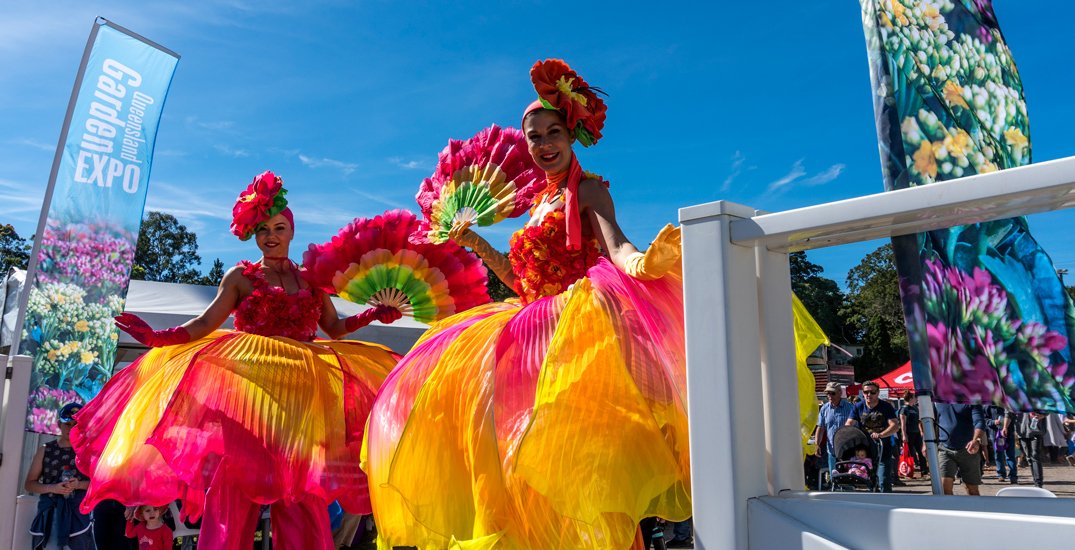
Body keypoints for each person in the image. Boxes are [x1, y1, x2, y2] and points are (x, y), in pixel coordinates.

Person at [364, 59, 689, 549]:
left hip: (578, 335)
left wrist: (645, 264)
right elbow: (521, 280)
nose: (543, 145)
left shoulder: (590, 190)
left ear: (571, 134)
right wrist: (475, 243)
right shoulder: (539, 201)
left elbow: (618, 248)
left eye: (552, 132)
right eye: (534, 137)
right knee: (514, 461)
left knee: (579, 465)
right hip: (529, 332)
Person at [71, 172, 402, 550]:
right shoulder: (240, 277)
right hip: (248, 396)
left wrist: (372, 315)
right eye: (262, 229)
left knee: (299, 495)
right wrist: (157, 338)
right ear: (254, 235)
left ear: (292, 231)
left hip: (298, 401)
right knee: (234, 492)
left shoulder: (314, 280)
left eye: (279, 227)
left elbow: (335, 328)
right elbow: (205, 322)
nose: (271, 236)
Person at [25, 402, 94, 550]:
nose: (71, 428)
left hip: (77, 516)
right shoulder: (45, 450)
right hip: (50, 515)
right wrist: (53, 488)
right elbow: (29, 484)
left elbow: (97, 483)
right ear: (59, 424)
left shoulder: (86, 452)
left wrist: (78, 485)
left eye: (75, 425)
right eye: (67, 424)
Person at [845, 381, 899, 492]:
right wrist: (848, 433)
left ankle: (888, 503)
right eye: (866, 392)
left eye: (872, 392)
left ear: (878, 393)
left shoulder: (886, 407)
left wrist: (881, 435)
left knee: (884, 479)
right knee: (868, 480)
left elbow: (895, 425)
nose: (868, 395)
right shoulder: (858, 406)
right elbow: (849, 424)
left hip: (883, 448)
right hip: (865, 451)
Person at [933, 403, 984, 496]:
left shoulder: (971, 401)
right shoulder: (938, 401)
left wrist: (975, 440)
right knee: (944, 489)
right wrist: (926, 444)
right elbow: (930, 422)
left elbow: (979, 422)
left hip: (968, 449)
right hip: (945, 448)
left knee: (972, 490)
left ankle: (975, 509)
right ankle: (951, 510)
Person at [815, 382, 855, 474]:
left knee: (848, 479)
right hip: (832, 450)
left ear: (840, 393)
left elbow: (856, 428)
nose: (829, 396)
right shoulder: (824, 409)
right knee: (834, 478)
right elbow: (820, 428)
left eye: (832, 393)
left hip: (847, 450)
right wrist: (817, 445)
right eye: (827, 393)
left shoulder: (850, 408)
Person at [898, 392, 928, 477]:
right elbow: (903, 423)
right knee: (910, 452)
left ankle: (924, 470)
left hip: (916, 433)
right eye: (915, 397)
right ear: (911, 398)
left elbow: (918, 421)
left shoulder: (915, 408)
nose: (916, 399)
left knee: (920, 451)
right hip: (908, 433)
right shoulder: (904, 409)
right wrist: (904, 435)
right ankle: (909, 470)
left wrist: (921, 431)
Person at [987, 406, 1018, 484]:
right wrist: (993, 422)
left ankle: (1013, 476)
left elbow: (1014, 416)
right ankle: (1001, 474)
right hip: (996, 434)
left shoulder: (1007, 404)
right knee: (998, 454)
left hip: (1008, 433)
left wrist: (1007, 424)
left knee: (1010, 455)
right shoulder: (988, 406)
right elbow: (984, 419)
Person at [1016, 411, 1047, 487]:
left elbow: (1048, 411)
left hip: (1036, 432)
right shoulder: (1017, 401)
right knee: (1029, 457)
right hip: (1022, 431)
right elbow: (1009, 412)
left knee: (1035, 455)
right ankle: (1035, 479)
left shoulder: (1037, 399)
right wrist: (1005, 427)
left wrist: (1041, 415)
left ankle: (1038, 482)